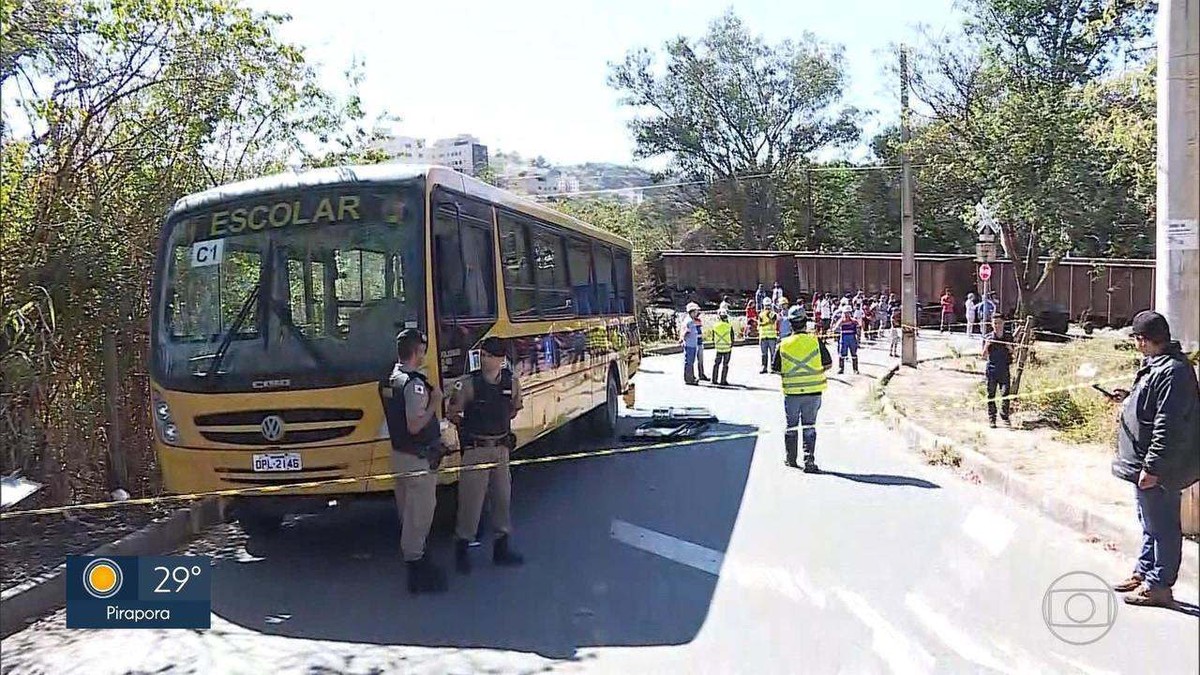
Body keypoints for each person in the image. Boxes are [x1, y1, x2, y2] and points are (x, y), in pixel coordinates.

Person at [1108, 311, 1200, 608]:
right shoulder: (1157, 366)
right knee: (1149, 521)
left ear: (1143, 340)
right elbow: (1150, 406)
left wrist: (1153, 467)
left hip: (1159, 468)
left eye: (1137, 339)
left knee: (1163, 526)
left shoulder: (1173, 371)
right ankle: (1145, 571)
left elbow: (1168, 425)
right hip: (1143, 463)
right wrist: (1127, 397)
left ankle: (1160, 584)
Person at [448, 336, 525, 574]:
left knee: (502, 499)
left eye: (489, 356)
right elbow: (453, 411)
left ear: (500, 360)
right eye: (482, 354)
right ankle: (462, 550)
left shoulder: (511, 383)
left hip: (500, 449)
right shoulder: (468, 383)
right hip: (476, 450)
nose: (483, 359)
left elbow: (514, 408)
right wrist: (467, 429)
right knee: (471, 503)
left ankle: (501, 548)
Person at [380, 328, 448, 594]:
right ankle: (417, 570)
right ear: (416, 351)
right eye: (422, 350)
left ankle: (417, 561)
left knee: (407, 513)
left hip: (399, 457)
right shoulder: (414, 384)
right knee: (419, 515)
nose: (423, 355)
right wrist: (435, 402)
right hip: (417, 461)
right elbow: (415, 424)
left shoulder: (390, 379)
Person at [778, 305, 833, 472]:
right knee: (809, 426)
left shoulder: (783, 344)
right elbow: (828, 363)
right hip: (814, 392)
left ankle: (791, 459)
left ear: (790, 324)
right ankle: (809, 461)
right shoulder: (815, 341)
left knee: (792, 426)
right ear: (805, 322)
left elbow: (775, 368)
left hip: (792, 393)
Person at [981, 317, 1014, 428]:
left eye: (999, 323)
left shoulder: (1008, 336)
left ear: (1003, 323)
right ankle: (992, 418)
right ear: (992, 324)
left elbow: (1014, 352)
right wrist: (987, 346)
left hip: (1004, 369)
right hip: (992, 369)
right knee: (991, 395)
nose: (997, 325)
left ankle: (1004, 415)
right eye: (995, 323)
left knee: (1005, 394)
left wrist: (1009, 347)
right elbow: (983, 355)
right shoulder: (988, 337)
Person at [711, 309, 734, 385]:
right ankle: (723, 380)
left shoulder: (715, 326)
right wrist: (731, 345)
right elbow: (732, 337)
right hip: (727, 348)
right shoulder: (729, 326)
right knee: (725, 365)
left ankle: (714, 380)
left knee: (716, 364)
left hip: (718, 348)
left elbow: (713, 337)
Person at [835, 308, 861, 375]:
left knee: (854, 354)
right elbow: (835, 328)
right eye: (845, 313)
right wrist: (841, 323)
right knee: (842, 354)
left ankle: (855, 369)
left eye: (848, 313)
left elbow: (858, 329)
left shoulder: (854, 321)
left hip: (852, 338)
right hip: (844, 339)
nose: (846, 314)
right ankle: (841, 369)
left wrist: (858, 340)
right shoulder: (841, 321)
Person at [681, 302, 701, 385]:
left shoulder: (690, 320)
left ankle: (691, 377)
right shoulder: (689, 321)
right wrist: (683, 339)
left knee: (691, 362)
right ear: (692, 312)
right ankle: (689, 379)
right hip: (690, 344)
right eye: (696, 311)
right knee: (689, 362)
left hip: (692, 344)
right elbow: (686, 331)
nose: (697, 313)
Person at [758, 301, 779, 374]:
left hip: (772, 336)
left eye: (768, 306)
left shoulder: (774, 314)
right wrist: (765, 323)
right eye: (766, 306)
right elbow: (760, 324)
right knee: (764, 354)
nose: (767, 307)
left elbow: (772, 321)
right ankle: (764, 367)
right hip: (763, 336)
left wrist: (767, 316)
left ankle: (773, 368)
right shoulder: (760, 314)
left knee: (773, 353)